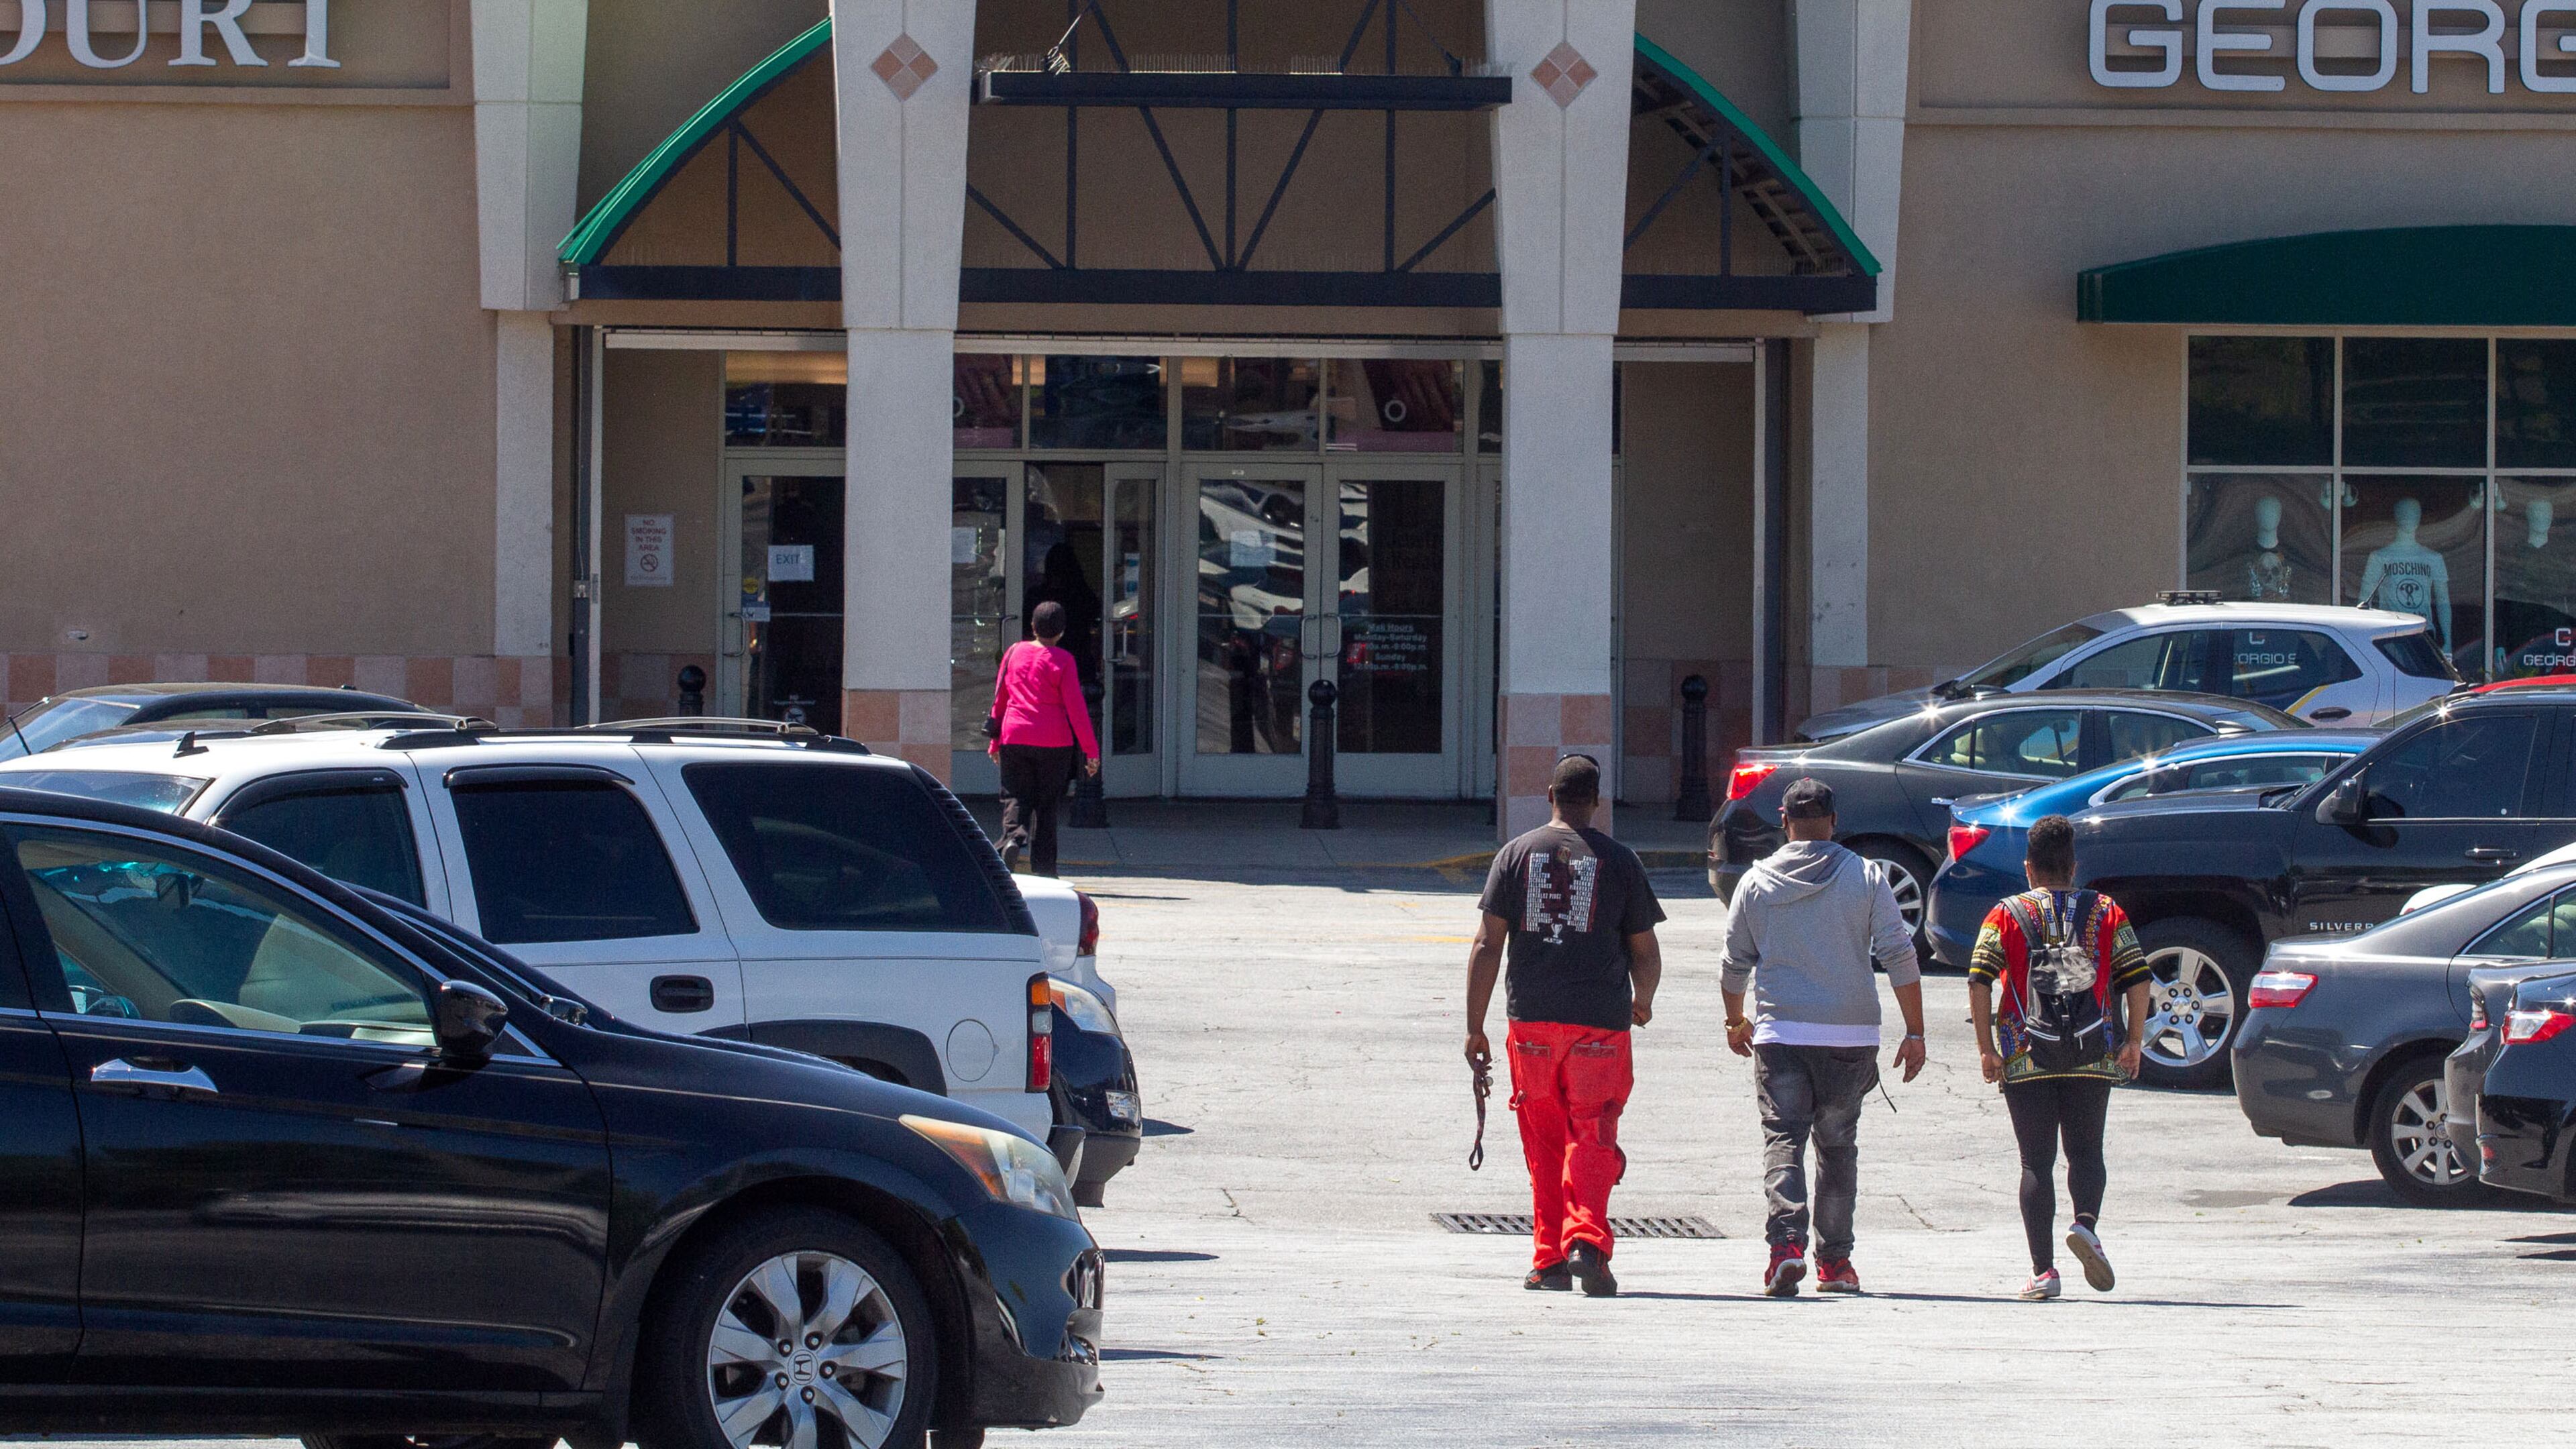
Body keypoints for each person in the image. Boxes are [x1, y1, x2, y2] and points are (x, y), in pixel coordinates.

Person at [1464, 755, 1665, 1297]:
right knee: (1593, 1133)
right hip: (1599, 1026)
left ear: (1549, 793)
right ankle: (1589, 1245)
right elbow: (1645, 952)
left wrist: (1474, 1026)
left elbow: (1487, 945)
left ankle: (1548, 1259)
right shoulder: (1621, 862)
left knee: (1544, 1141)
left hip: (1530, 1024)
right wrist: (1642, 1000)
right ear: (1596, 800)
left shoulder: (1514, 855)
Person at [1719, 778, 1926, 1298]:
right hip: (1850, 1036)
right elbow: (1900, 954)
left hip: (1781, 1031)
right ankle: (1835, 1265)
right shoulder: (1867, 875)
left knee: (1783, 1139)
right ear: (1834, 822)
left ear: (1784, 822)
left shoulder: (1756, 881)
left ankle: (1786, 1247)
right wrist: (1915, 1030)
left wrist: (1735, 1020)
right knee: (1837, 1147)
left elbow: (1733, 966)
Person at [1967, 813, 2151, 1302]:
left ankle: (2043, 1272)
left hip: (2025, 1053)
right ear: (2074, 865)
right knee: (2087, 1151)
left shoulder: (2005, 914)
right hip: (2094, 1053)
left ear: (2029, 867)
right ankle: (2085, 1225)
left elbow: (1979, 979)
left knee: (2036, 1162)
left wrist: (1988, 1050)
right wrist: (2133, 1041)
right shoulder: (2107, 909)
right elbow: (2138, 976)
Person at [987, 600, 1100, 876]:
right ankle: (1045, 869)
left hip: (1015, 735)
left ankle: (1013, 839)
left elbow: (1000, 699)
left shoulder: (1014, 652)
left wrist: (994, 741)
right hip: (1054, 742)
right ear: (1061, 632)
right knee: (1047, 806)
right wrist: (1091, 752)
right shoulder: (1064, 661)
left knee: (1014, 796)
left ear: (1033, 627)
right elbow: (1077, 709)